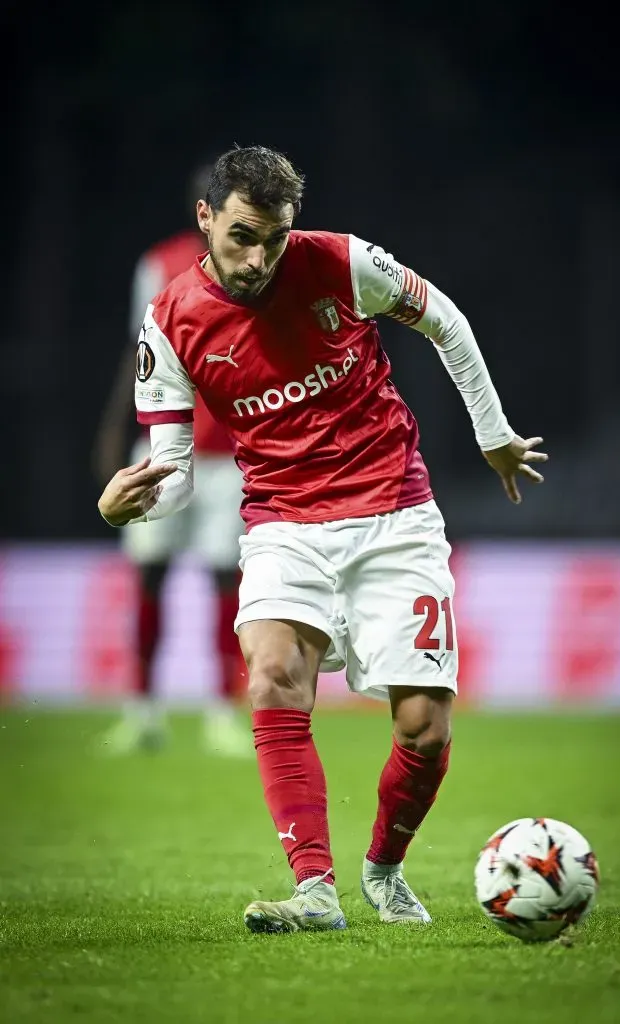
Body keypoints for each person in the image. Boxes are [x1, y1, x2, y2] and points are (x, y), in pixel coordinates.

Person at [97, 145, 547, 931]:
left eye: (274, 238)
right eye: (241, 236)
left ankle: (384, 868)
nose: (259, 257)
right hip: (282, 524)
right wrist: (125, 509)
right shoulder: (168, 319)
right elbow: (173, 470)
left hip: (394, 515)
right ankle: (314, 891)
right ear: (205, 219)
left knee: (424, 729)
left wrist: (494, 433)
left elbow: (444, 320)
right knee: (271, 677)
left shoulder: (342, 263)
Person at [92, 164, 251, 758]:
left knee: (224, 584)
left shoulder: (258, 266)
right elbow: (137, 353)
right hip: (162, 446)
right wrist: (113, 432)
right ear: (203, 209)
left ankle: (221, 713)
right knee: (150, 577)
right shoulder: (159, 264)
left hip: (229, 454)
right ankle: (142, 711)